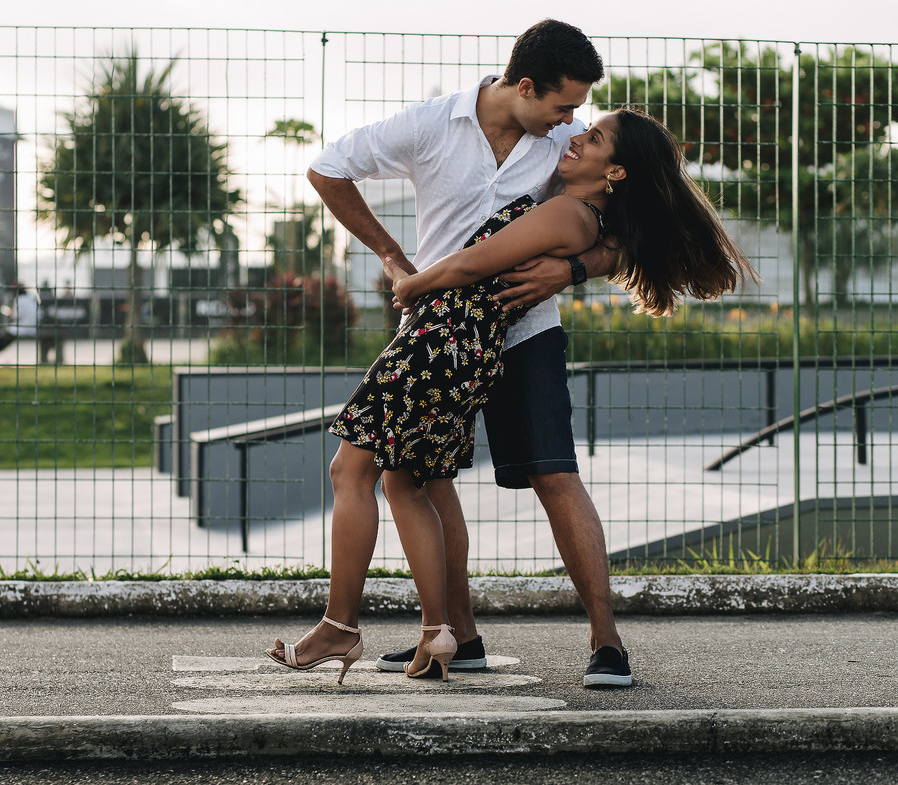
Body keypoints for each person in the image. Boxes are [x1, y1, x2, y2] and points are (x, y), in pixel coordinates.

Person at [267, 20, 637, 687]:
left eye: (578, 113)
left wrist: (573, 272)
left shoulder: (561, 143)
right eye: (563, 105)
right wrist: (390, 255)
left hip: (521, 332)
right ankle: (457, 635)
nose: (571, 120)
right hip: (441, 333)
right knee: (424, 481)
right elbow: (327, 168)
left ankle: (606, 642)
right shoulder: (430, 126)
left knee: (553, 476)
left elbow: (627, 226)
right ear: (525, 86)